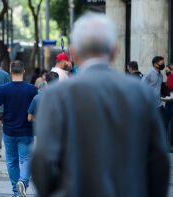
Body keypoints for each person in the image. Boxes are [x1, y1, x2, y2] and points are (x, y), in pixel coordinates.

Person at [31, 13, 170, 197]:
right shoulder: (140, 93)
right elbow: (159, 159)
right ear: (114, 50)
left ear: (75, 52)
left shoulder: (56, 95)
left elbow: (42, 159)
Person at [0, 60, 37, 197]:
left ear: (10, 72)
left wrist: (0, 117)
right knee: (26, 159)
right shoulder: (31, 89)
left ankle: (16, 192)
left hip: (9, 130)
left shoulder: (3, 89)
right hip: (26, 131)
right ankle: (23, 181)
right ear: (23, 71)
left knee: (12, 161)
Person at [142, 56, 169, 136]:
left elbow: (158, 87)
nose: (163, 64)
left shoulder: (160, 75)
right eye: (161, 63)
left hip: (159, 104)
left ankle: (161, 143)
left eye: (163, 63)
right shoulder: (149, 73)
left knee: (165, 121)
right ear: (155, 64)